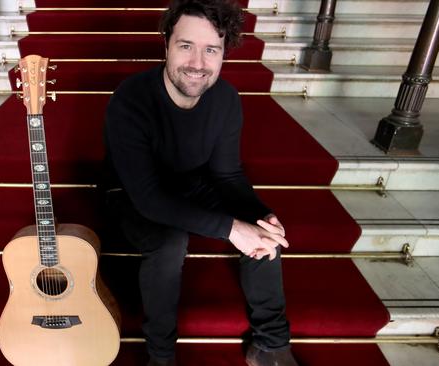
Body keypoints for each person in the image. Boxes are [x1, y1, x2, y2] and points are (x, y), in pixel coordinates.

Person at [102, 0, 298, 365]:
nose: (197, 63)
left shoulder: (225, 98)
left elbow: (227, 175)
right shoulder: (130, 100)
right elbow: (149, 199)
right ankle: (161, 357)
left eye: (211, 50)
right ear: (166, 45)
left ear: (224, 54)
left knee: (261, 227)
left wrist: (259, 215)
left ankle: (271, 343)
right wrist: (230, 229)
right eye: (186, 46)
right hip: (131, 194)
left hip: (192, 184)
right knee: (169, 242)